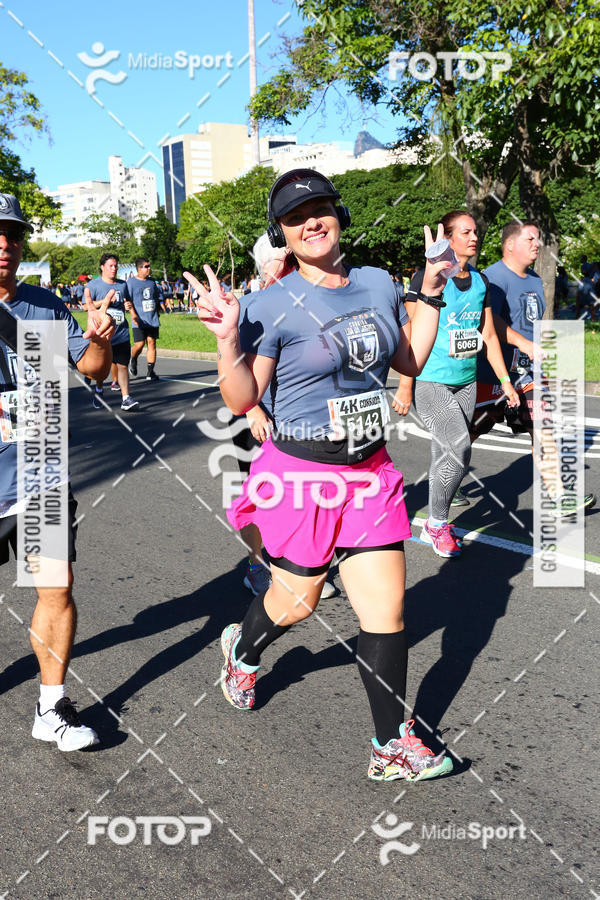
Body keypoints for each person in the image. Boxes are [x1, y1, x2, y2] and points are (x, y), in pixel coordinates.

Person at [185, 168, 455, 783]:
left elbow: (410, 358)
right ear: (281, 233)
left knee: (386, 612)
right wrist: (227, 340)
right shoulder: (268, 305)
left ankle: (390, 745)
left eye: (321, 209)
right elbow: (242, 397)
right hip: (301, 475)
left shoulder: (378, 283)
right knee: (298, 602)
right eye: (294, 217)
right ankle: (243, 650)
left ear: (339, 215)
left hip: (369, 471)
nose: (311, 222)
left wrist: (432, 289)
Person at [0, 193, 115, 750]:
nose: (3, 243)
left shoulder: (45, 307)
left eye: (12, 233)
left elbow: (93, 370)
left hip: (39, 472)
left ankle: (51, 707)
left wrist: (100, 341)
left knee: (56, 590)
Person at [393, 212, 519, 557]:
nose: (474, 237)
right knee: (458, 446)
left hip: (466, 381)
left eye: (475, 231)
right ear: (447, 239)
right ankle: (436, 524)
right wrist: (405, 386)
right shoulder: (428, 277)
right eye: (465, 232)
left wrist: (505, 381)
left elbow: (488, 335)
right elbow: (409, 334)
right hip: (430, 379)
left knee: (451, 453)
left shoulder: (480, 281)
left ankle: (437, 516)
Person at [229, 233, 336, 599]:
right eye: (285, 259)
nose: (293, 264)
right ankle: (257, 566)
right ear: (266, 265)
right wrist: (253, 409)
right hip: (257, 416)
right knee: (260, 497)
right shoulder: (250, 305)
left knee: (304, 496)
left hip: (301, 420)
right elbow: (232, 367)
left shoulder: (311, 301)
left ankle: (300, 567)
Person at [470, 221, 595, 514]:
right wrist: (523, 343)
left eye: (537, 239)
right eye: (530, 239)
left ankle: (559, 497)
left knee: (542, 427)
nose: (537, 244)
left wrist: (540, 352)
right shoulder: (493, 278)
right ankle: (447, 483)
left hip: (528, 374)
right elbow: (490, 322)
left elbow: (533, 322)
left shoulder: (536, 279)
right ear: (509, 245)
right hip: (493, 374)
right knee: (469, 433)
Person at [86, 253, 139, 411]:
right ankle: (99, 390)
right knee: (102, 369)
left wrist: (129, 308)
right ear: (102, 267)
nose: (114, 268)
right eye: (110, 265)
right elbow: (85, 306)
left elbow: (126, 302)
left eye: (116, 265)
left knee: (122, 366)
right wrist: (105, 301)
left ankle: (126, 398)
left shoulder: (122, 285)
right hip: (103, 335)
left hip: (121, 332)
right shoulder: (93, 285)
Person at [128, 258, 163, 381]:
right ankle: (133, 359)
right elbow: (128, 300)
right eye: (146, 266)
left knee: (152, 342)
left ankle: (150, 372)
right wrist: (133, 314)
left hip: (152, 318)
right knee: (139, 344)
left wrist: (158, 311)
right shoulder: (131, 282)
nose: (149, 268)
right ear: (139, 268)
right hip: (139, 319)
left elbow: (156, 298)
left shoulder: (152, 282)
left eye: (149, 266)